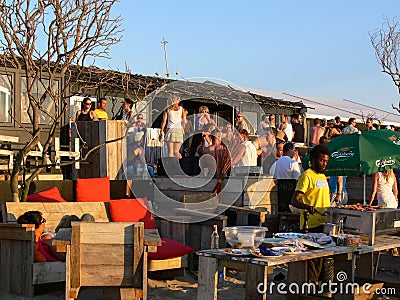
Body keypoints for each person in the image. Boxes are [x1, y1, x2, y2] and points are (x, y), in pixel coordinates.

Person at [290, 144, 330, 284]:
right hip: (310, 226)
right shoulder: (306, 176)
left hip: (324, 225)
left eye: (326, 161)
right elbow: (294, 200)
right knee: (312, 264)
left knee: (322, 262)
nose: (324, 164)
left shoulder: (323, 176)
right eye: (321, 160)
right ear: (313, 160)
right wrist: (308, 207)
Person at [159, 94, 184, 159]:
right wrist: (183, 129)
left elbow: (164, 121)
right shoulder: (181, 109)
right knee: (176, 152)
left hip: (170, 129)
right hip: (178, 130)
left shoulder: (167, 109)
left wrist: (161, 131)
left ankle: (171, 166)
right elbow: (184, 120)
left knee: (170, 153)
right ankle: (180, 163)